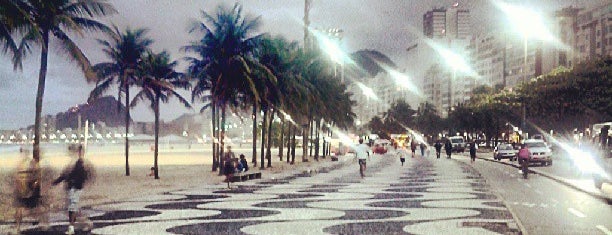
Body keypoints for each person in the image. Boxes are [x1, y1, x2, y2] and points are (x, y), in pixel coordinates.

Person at [52, 145, 92, 235]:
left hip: (75, 188)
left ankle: (72, 228)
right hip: (72, 187)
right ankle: (85, 222)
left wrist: (58, 181)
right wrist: (56, 182)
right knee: (71, 208)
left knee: (72, 208)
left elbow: (78, 175)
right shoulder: (74, 162)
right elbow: (64, 175)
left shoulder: (79, 162)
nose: (69, 153)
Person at [12, 154, 48, 234]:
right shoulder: (29, 163)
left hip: (26, 189)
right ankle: (18, 228)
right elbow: (37, 176)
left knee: (33, 207)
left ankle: (18, 228)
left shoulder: (23, 163)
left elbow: (37, 176)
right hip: (25, 189)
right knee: (22, 208)